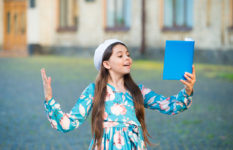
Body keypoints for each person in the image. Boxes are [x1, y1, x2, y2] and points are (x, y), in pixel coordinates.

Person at [41, 39, 196, 150]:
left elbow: (170, 106)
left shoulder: (138, 91)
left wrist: (187, 90)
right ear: (106, 64)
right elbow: (67, 123)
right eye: (120, 55)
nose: (127, 58)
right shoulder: (94, 91)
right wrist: (49, 99)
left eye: (128, 55)